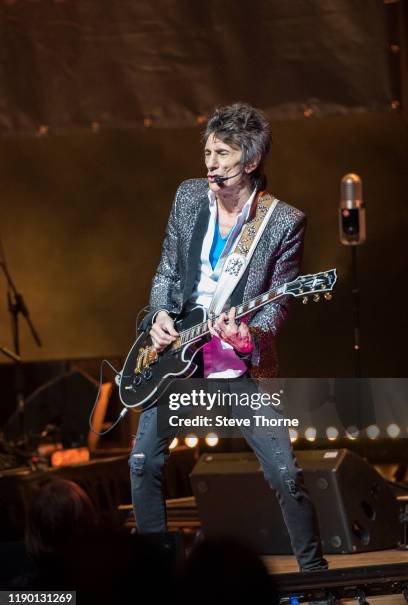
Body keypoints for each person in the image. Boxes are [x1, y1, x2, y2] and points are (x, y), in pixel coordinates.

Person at [129, 102, 328, 573]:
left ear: (252, 160)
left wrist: (247, 337)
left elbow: (278, 304)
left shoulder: (282, 221)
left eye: (223, 154)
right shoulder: (188, 196)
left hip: (234, 360)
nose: (211, 164)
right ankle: (155, 581)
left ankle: (315, 577)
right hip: (177, 351)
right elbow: (166, 270)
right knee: (142, 464)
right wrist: (157, 314)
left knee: (284, 472)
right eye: (208, 152)